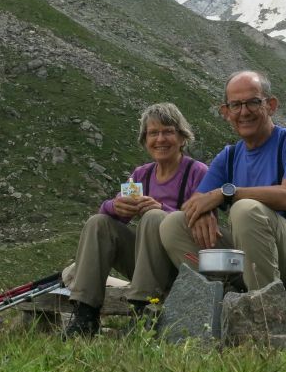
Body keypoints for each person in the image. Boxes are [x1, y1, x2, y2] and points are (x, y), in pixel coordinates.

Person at [154, 70, 286, 295]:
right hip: (250, 252)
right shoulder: (229, 156)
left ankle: (263, 312)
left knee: (245, 209)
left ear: (271, 105)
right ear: (226, 112)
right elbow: (195, 203)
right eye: (235, 105)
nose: (244, 112)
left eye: (253, 102)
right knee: (174, 223)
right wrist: (203, 211)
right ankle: (217, 302)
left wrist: (228, 194)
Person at [63, 102, 208, 336]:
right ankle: (85, 315)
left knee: (152, 217)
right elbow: (107, 211)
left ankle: (143, 313)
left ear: (182, 138)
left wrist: (162, 211)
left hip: (183, 263)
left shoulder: (198, 172)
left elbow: (202, 222)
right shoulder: (142, 174)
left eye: (168, 132)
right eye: (153, 133)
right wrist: (115, 206)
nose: (160, 139)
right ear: (145, 141)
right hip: (145, 266)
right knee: (98, 223)